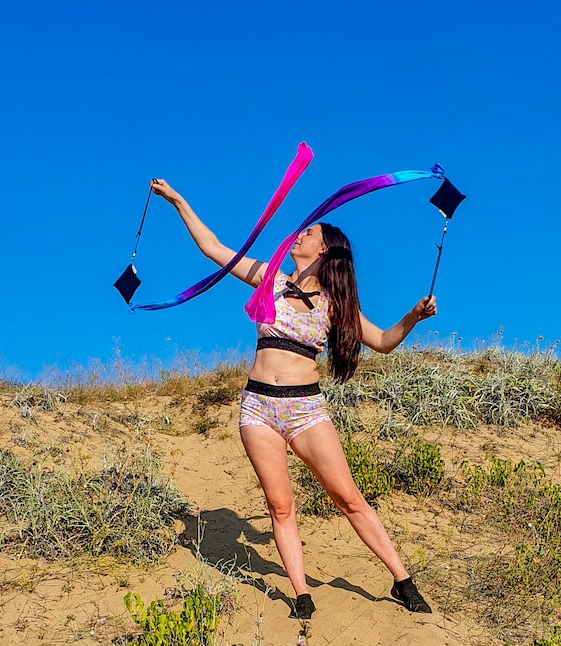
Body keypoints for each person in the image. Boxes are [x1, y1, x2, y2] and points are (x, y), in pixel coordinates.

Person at [150, 178, 435, 620]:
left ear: (324, 251)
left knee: (348, 498)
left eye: (310, 232)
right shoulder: (270, 279)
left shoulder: (335, 304)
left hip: (306, 409)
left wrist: (413, 317)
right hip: (258, 408)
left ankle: (402, 580)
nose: (299, 233)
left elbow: (381, 340)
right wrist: (179, 201)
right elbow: (214, 249)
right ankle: (301, 595)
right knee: (280, 505)